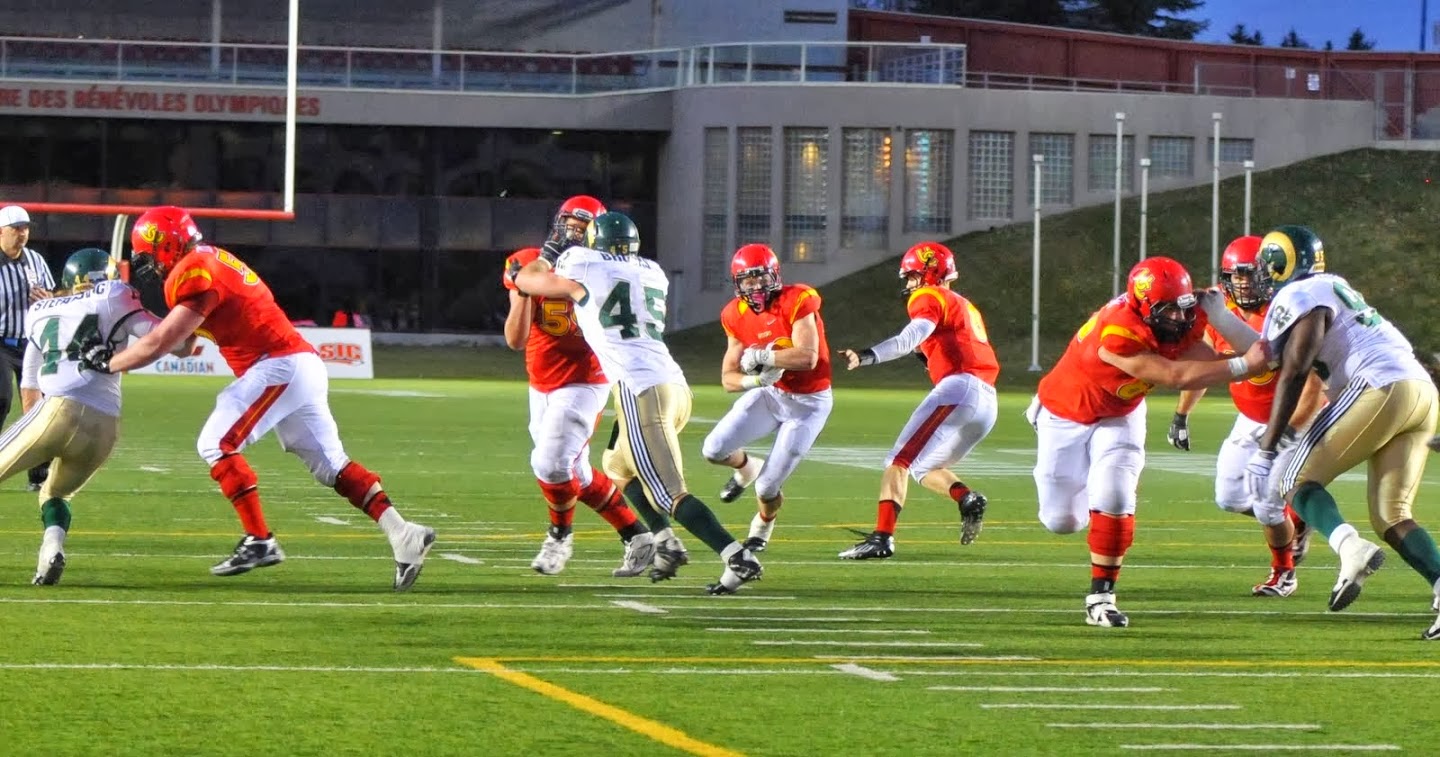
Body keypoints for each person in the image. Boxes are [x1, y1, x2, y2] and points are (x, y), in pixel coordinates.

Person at [81, 206, 436, 591]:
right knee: (330, 466)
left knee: (216, 442)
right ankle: (404, 534)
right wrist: (136, 323)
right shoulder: (207, 261)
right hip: (296, 364)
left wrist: (109, 362)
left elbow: (163, 342)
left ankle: (260, 539)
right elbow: (183, 345)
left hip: (279, 364)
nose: (151, 266)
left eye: (150, 256)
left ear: (167, 243)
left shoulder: (194, 269)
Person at [514, 211, 763, 594]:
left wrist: (548, 252)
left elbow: (527, 278)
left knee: (669, 492)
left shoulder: (583, 262)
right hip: (675, 388)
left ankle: (736, 556)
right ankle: (662, 541)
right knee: (616, 467)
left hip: (640, 390)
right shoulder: (652, 271)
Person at [1029, 256, 1271, 627]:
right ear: (1141, 306)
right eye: (1167, 309)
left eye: (1182, 307)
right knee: (1061, 521)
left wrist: (1222, 317)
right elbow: (1175, 374)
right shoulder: (1118, 329)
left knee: (1114, 494)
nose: (1178, 317)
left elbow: (1253, 352)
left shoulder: (1182, 318)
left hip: (1121, 412)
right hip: (1066, 413)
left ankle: (1101, 597)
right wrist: (1244, 366)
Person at [1241, 225, 1440, 640]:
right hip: (1419, 391)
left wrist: (1265, 448)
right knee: (1392, 515)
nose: (1261, 272)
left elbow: (1294, 370)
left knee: (1291, 480)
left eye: (1265, 263)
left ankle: (1352, 549)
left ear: (1281, 264)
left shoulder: (1299, 294)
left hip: (1380, 386)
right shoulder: (1333, 285)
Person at [16, 248, 190, 584]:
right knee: (55, 494)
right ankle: (50, 550)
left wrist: (38, 444)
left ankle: (51, 549)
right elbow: (180, 343)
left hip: (56, 411)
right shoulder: (116, 295)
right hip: (105, 425)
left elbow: (29, 386)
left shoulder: (39, 309)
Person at [1167, 235, 1326, 597]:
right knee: (1229, 497)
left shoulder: (1291, 308)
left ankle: (1284, 573)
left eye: (1249, 275)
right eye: (1234, 276)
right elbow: (1204, 366)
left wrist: (1292, 427)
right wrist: (1181, 414)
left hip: (1287, 419)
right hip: (1249, 417)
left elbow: (1310, 378)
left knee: (1268, 505)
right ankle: (1297, 520)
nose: (1242, 284)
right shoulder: (1225, 314)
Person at [502, 243, 659, 577]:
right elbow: (516, 339)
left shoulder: (598, 267)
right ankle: (637, 534)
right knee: (577, 473)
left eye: (582, 226)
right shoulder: (527, 261)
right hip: (540, 381)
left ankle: (559, 535)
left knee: (552, 464)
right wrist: (524, 285)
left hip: (587, 379)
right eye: (569, 223)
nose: (573, 232)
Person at [835, 242, 995, 560]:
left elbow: (909, 339)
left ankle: (882, 537)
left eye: (912, 277)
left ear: (929, 272)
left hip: (959, 389)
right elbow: (936, 347)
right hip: (987, 401)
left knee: (899, 462)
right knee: (924, 466)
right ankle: (966, 498)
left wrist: (867, 356)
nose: (909, 285)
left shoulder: (930, 295)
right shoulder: (964, 304)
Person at [701, 244, 833, 553]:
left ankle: (762, 525)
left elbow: (807, 357)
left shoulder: (797, 299)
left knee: (767, 487)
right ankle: (746, 466)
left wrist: (764, 356)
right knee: (713, 449)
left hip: (809, 403)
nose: (756, 287)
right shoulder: (735, 314)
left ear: (774, 276)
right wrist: (757, 379)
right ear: (738, 283)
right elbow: (728, 379)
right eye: (748, 281)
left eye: (761, 278)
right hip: (772, 394)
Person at [0, 205, 55, 492]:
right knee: (1, 398)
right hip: (0, 342)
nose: (22, 234)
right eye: (15, 229)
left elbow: (56, 298)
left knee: (41, 409)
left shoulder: (36, 260)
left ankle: (39, 473)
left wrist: (47, 299)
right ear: (1, 232)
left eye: (25, 228)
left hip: (33, 343)